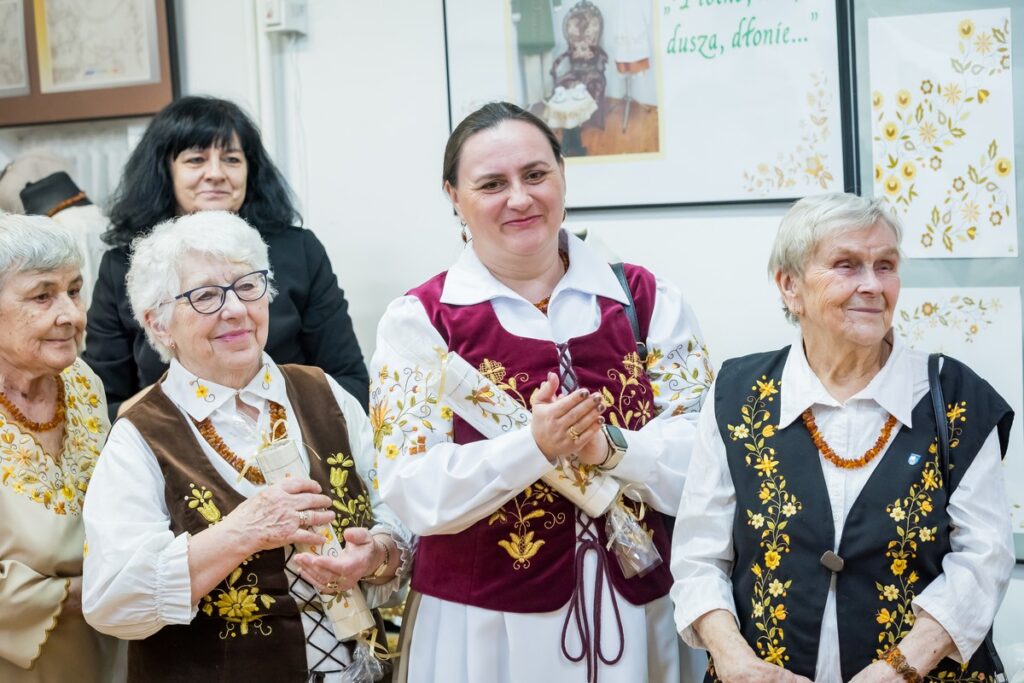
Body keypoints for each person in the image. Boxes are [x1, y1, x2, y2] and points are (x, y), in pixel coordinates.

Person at [371, 101, 713, 683]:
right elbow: (414, 490)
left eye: (535, 175)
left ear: (562, 174)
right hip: (484, 631)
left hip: (641, 614)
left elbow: (706, 464)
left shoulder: (645, 300)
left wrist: (609, 449)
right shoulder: (421, 322)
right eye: (491, 184)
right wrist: (534, 445)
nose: (520, 198)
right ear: (453, 195)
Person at [670, 193, 1014, 683]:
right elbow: (699, 555)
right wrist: (734, 661)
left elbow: (985, 556)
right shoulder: (736, 395)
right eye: (847, 265)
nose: (873, 285)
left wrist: (900, 669)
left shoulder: (955, 396)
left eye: (886, 265)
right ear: (790, 287)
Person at [81, 211, 412, 682]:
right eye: (206, 296)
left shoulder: (325, 393)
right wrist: (243, 532)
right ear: (158, 324)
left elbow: (398, 510)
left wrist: (377, 555)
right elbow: (112, 599)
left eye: (248, 286)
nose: (235, 309)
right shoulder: (140, 434)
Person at [83, 95, 368, 418]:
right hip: (172, 449)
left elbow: (350, 383)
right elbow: (99, 409)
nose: (216, 173)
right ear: (164, 171)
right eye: (196, 160)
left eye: (232, 159)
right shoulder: (122, 266)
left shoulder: (299, 252)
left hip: (291, 440)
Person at [0, 214, 122, 681]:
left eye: (74, 290)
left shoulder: (83, 383)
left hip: (103, 647)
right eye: (42, 295)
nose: (71, 315)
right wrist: (93, 591)